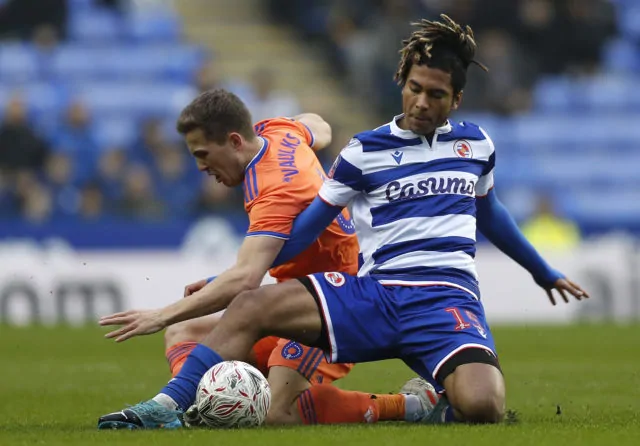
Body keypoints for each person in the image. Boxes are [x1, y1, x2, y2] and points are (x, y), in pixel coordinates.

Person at [98, 14, 588, 427]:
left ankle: (425, 405)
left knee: (483, 406)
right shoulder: (363, 151)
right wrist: (232, 278)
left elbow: (491, 213)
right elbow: (305, 231)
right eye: (414, 88)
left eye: (436, 94)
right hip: (374, 295)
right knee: (248, 305)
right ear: (402, 84)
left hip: (446, 301)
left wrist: (542, 270)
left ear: (456, 99)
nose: (421, 102)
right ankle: (168, 407)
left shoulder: (476, 144)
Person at [98, 89, 435, 429]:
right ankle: (193, 409)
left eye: (203, 154)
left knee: (276, 413)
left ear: (234, 141)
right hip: (296, 302)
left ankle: (412, 405)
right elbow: (320, 126)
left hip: (336, 307)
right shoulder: (276, 131)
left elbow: (245, 279)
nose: (200, 167)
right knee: (184, 330)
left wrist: (159, 315)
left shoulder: (274, 190)